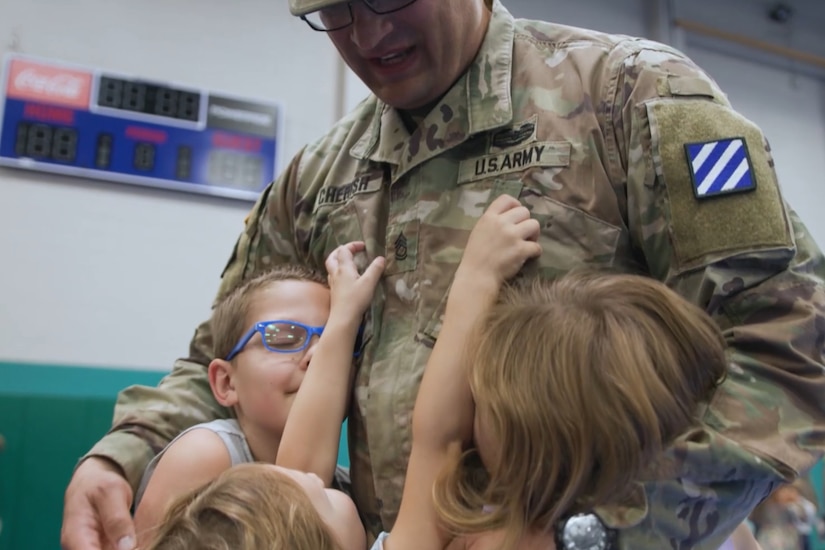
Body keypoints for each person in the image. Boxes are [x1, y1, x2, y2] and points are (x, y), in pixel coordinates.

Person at [60, 0, 825, 549]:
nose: (365, 32)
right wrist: (122, 453)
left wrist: (611, 532)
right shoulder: (318, 179)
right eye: (332, 12)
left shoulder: (630, 98)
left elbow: (789, 337)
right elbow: (218, 354)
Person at [131, 245, 382, 548]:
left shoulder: (343, 493)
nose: (319, 355)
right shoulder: (204, 455)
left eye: (337, 341)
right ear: (226, 382)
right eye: (285, 336)